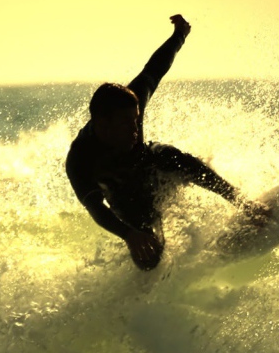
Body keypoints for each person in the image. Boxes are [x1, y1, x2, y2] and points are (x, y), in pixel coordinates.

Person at [66, 14, 268, 270]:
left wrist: (179, 36)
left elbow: (155, 68)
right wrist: (129, 235)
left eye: (136, 121)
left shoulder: (131, 100)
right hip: (125, 196)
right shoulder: (80, 159)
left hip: (150, 164)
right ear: (103, 124)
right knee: (149, 256)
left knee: (171, 156)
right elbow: (96, 208)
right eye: (127, 125)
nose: (135, 130)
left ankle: (243, 203)